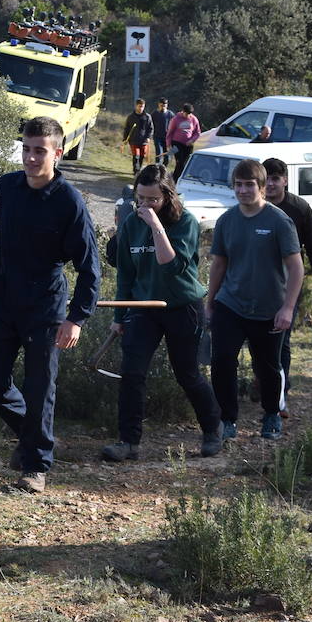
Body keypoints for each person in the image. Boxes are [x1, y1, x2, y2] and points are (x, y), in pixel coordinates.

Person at [0, 116, 100, 493]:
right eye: (26, 149)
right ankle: (34, 436)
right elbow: (1, 243)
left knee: (40, 384)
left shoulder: (69, 202)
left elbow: (89, 265)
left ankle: (36, 466)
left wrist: (76, 318)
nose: (30, 158)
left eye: (40, 151)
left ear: (58, 153)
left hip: (46, 303)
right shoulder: (7, 187)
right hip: (4, 298)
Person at [102, 164, 223, 462]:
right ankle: (128, 442)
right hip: (144, 308)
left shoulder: (186, 223)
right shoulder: (131, 224)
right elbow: (126, 276)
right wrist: (119, 318)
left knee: (187, 374)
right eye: (140, 199)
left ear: (168, 196)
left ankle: (212, 429)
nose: (144, 205)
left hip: (182, 306)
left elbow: (172, 266)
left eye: (152, 199)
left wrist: (156, 225)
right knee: (132, 372)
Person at [207, 158, 303, 441]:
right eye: (238, 184)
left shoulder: (278, 221)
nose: (243, 190)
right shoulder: (227, 220)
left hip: (268, 308)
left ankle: (272, 413)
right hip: (231, 303)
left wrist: (287, 307)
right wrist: (210, 303)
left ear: (262, 187)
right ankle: (227, 419)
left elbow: (296, 267)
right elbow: (218, 265)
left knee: (267, 366)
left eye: (249, 185)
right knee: (222, 359)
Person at [261, 158, 312, 397]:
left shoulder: (299, 208)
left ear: (285, 180)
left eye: (275, 179)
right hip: (256, 281)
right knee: (258, 337)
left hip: (289, 281)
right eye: (266, 179)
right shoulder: (252, 205)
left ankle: (281, 389)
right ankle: (262, 382)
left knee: (282, 337)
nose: (269, 184)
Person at [167, 104, 202, 182]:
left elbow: (197, 132)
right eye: (186, 113)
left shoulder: (194, 119)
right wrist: (168, 144)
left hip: (188, 145)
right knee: (180, 162)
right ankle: (174, 180)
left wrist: (192, 140)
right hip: (176, 143)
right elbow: (170, 132)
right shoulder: (176, 119)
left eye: (189, 114)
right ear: (182, 111)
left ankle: (179, 179)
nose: (187, 115)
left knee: (186, 163)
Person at [121, 98, 154, 175]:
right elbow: (127, 129)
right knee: (136, 156)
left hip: (144, 141)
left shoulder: (147, 117)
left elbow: (151, 128)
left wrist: (148, 137)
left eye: (142, 106)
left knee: (142, 156)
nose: (141, 108)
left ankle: (139, 170)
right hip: (133, 140)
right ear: (136, 106)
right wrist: (125, 139)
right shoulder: (131, 117)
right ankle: (135, 170)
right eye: (139, 106)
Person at [151, 98, 171, 167]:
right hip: (157, 137)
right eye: (161, 105)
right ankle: (157, 170)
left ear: (167, 105)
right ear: (158, 105)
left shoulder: (170, 114)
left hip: (167, 138)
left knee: (168, 157)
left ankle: (163, 169)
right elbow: (150, 125)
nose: (163, 107)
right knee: (159, 154)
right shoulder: (154, 114)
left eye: (164, 105)